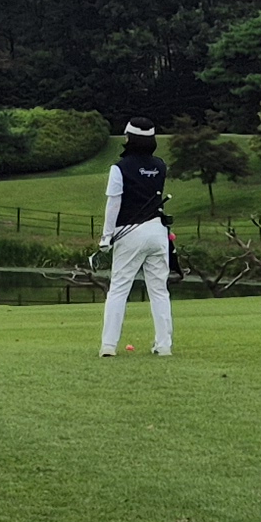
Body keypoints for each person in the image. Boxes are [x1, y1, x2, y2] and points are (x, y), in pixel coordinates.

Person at [99, 121, 174, 358]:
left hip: (130, 233)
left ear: (129, 138)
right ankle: (164, 345)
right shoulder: (160, 166)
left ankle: (109, 345)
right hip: (157, 232)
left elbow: (114, 204)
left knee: (119, 290)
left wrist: (106, 237)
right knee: (159, 291)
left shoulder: (119, 168)